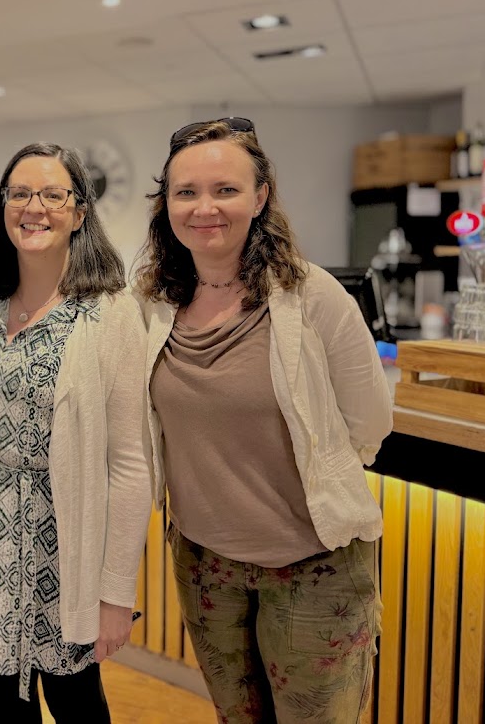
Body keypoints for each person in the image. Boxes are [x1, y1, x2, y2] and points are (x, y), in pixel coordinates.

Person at [135, 118, 392, 724]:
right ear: (166, 204)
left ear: (260, 197)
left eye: (225, 189)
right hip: (204, 566)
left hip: (315, 565)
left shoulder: (314, 296)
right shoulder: (150, 303)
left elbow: (369, 422)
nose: (204, 208)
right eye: (186, 192)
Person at [0, 142, 152, 723]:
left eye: (53, 195)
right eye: (19, 193)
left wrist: (115, 593)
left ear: (79, 212)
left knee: (76, 703)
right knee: (3, 704)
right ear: (3, 205)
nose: (34, 207)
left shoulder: (110, 311)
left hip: (65, 553)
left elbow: (130, 463)